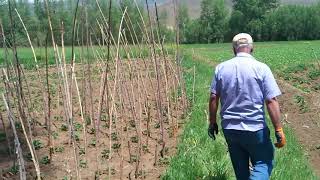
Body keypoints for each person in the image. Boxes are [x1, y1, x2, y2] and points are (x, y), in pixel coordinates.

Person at [208, 33, 286, 180]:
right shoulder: (261, 68)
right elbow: (271, 101)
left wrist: (212, 123)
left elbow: (213, 97)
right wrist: (279, 129)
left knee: (240, 169)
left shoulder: (221, 68)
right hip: (255, 129)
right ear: (252, 48)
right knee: (264, 163)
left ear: (233, 49)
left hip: (230, 129)